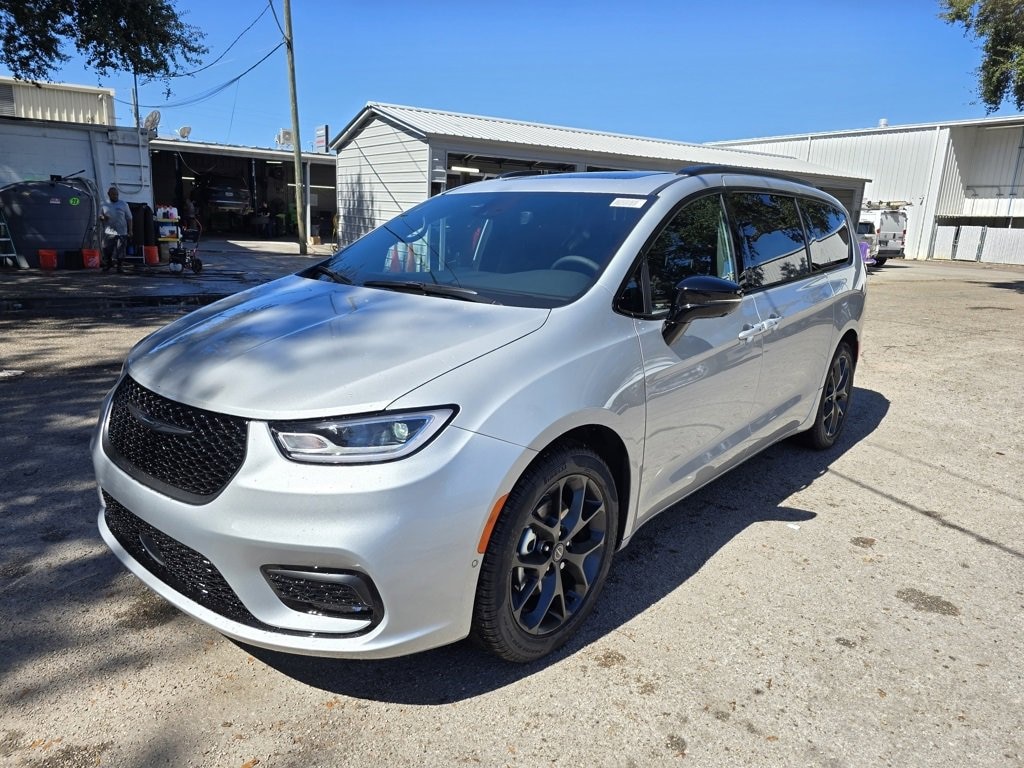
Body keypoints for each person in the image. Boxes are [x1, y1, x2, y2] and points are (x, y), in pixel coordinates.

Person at [100, 186, 133, 272]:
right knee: (106, 249)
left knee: (120, 249)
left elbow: (129, 218)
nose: (115, 196)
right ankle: (108, 264)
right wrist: (103, 218)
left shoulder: (123, 204)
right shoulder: (103, 204)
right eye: (113, 194)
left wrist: (130, 230)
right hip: (109, 231)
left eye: (117, 194)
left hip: (121, 231)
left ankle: (120, 266)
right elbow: (100, 216)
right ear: (108, 194)